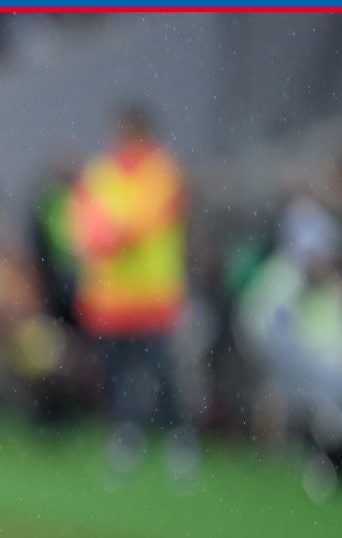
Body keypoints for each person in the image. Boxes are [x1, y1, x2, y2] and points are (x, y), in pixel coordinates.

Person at [68, 101, 196, 479]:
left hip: (152, 293)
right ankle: (124, 436)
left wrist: (110, 235)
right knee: (114, 371)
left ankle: (178, 438)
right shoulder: (101, 171)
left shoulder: (162, 170)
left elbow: (146, 219)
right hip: (110, 295)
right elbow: (82, 219)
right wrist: (103, 235)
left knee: (161, 371)